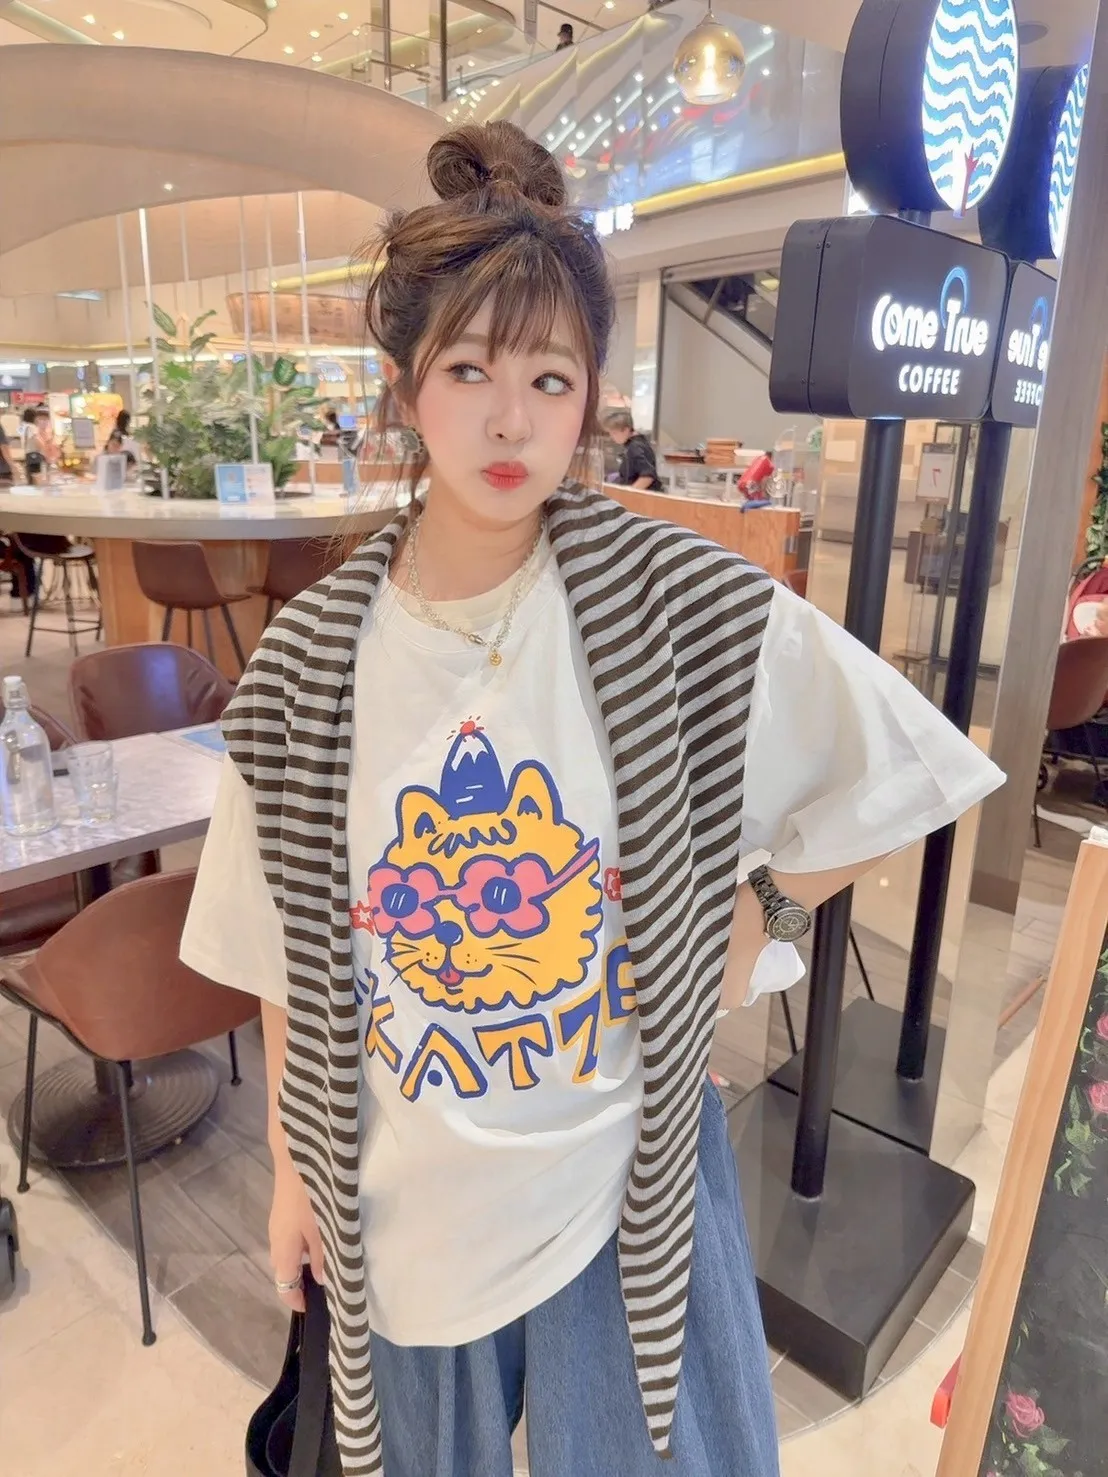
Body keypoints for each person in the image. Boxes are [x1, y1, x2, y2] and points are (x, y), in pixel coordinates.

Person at [180, 121, 1003, 1477]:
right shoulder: (311, 659)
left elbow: (906, 768)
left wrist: (757, 901)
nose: (510, 419)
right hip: (404, 1195)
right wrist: (287, 1171)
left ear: (590, 400)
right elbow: (280, 950)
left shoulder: (675, 603)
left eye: (548, 378)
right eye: (468, 370)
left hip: (623, 1174)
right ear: (405, 389)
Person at [603, 407, 663, 490]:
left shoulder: (635, 447)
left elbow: (647, 476)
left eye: (614, 433)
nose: (612, 437)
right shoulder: (635, 444)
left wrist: (628, 493)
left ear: (626, 430)